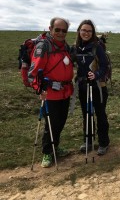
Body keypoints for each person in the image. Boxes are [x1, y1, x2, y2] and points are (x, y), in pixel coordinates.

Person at [28, 17, 74, 168]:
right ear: (50, 29)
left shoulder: (65, 46)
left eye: (64, 30)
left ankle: (56, 146)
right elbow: (33, 72)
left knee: (60, 122)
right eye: (57, 30)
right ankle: (47, 152)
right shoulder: (44, 46)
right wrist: (39, 89)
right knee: (51, 124)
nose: (61, 33)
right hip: (50, 93)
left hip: (65, 92)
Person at [72, 19, 110, 155]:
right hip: (82, 86)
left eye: (89, 31)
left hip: (98, 86)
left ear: (92, 32)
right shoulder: (75, 47)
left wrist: (96, 74)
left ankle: (104, 143)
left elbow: (105, 65)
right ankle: (88, 141)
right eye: (84, 30)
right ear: (79, 31)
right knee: (86, 114)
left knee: (100, 115)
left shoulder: (97, 47)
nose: (86, 33)